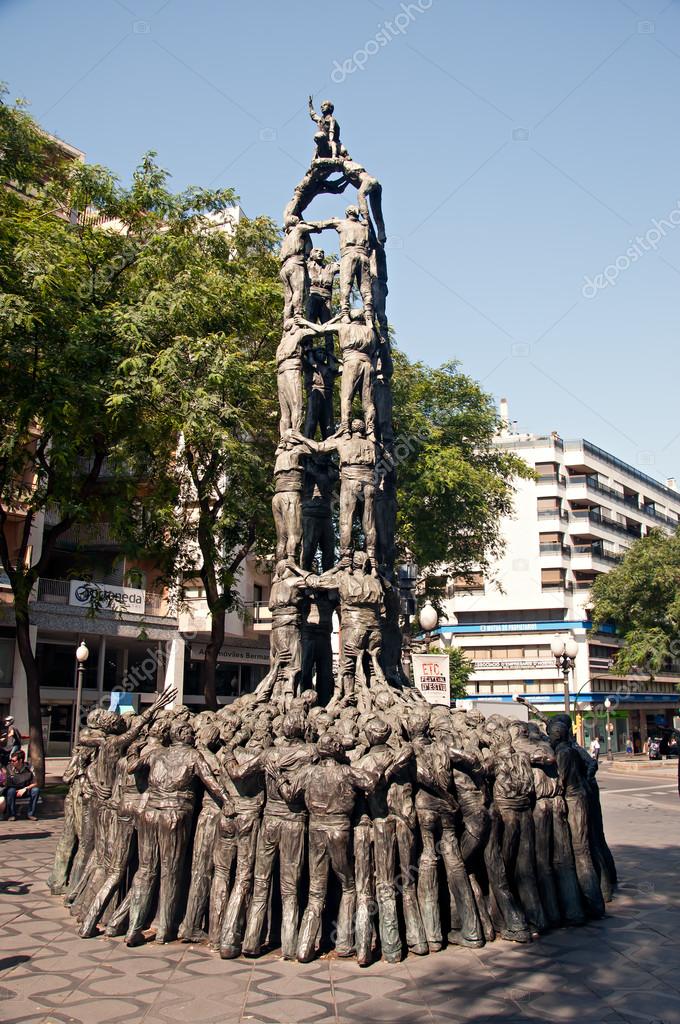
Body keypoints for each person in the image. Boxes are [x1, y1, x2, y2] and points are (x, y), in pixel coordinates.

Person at [5, 749, 40, 820]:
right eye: (11, 760)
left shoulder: (29, 767)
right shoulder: (9, 767)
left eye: (14, 761)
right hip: (14, 789)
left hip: (26, 789)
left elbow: (36, 783)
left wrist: (25, 789)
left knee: (36, 790)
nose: (12, 762)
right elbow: (7, 783)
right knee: (10, 791)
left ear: (20, 761)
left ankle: (30, 814)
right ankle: (12, 815)